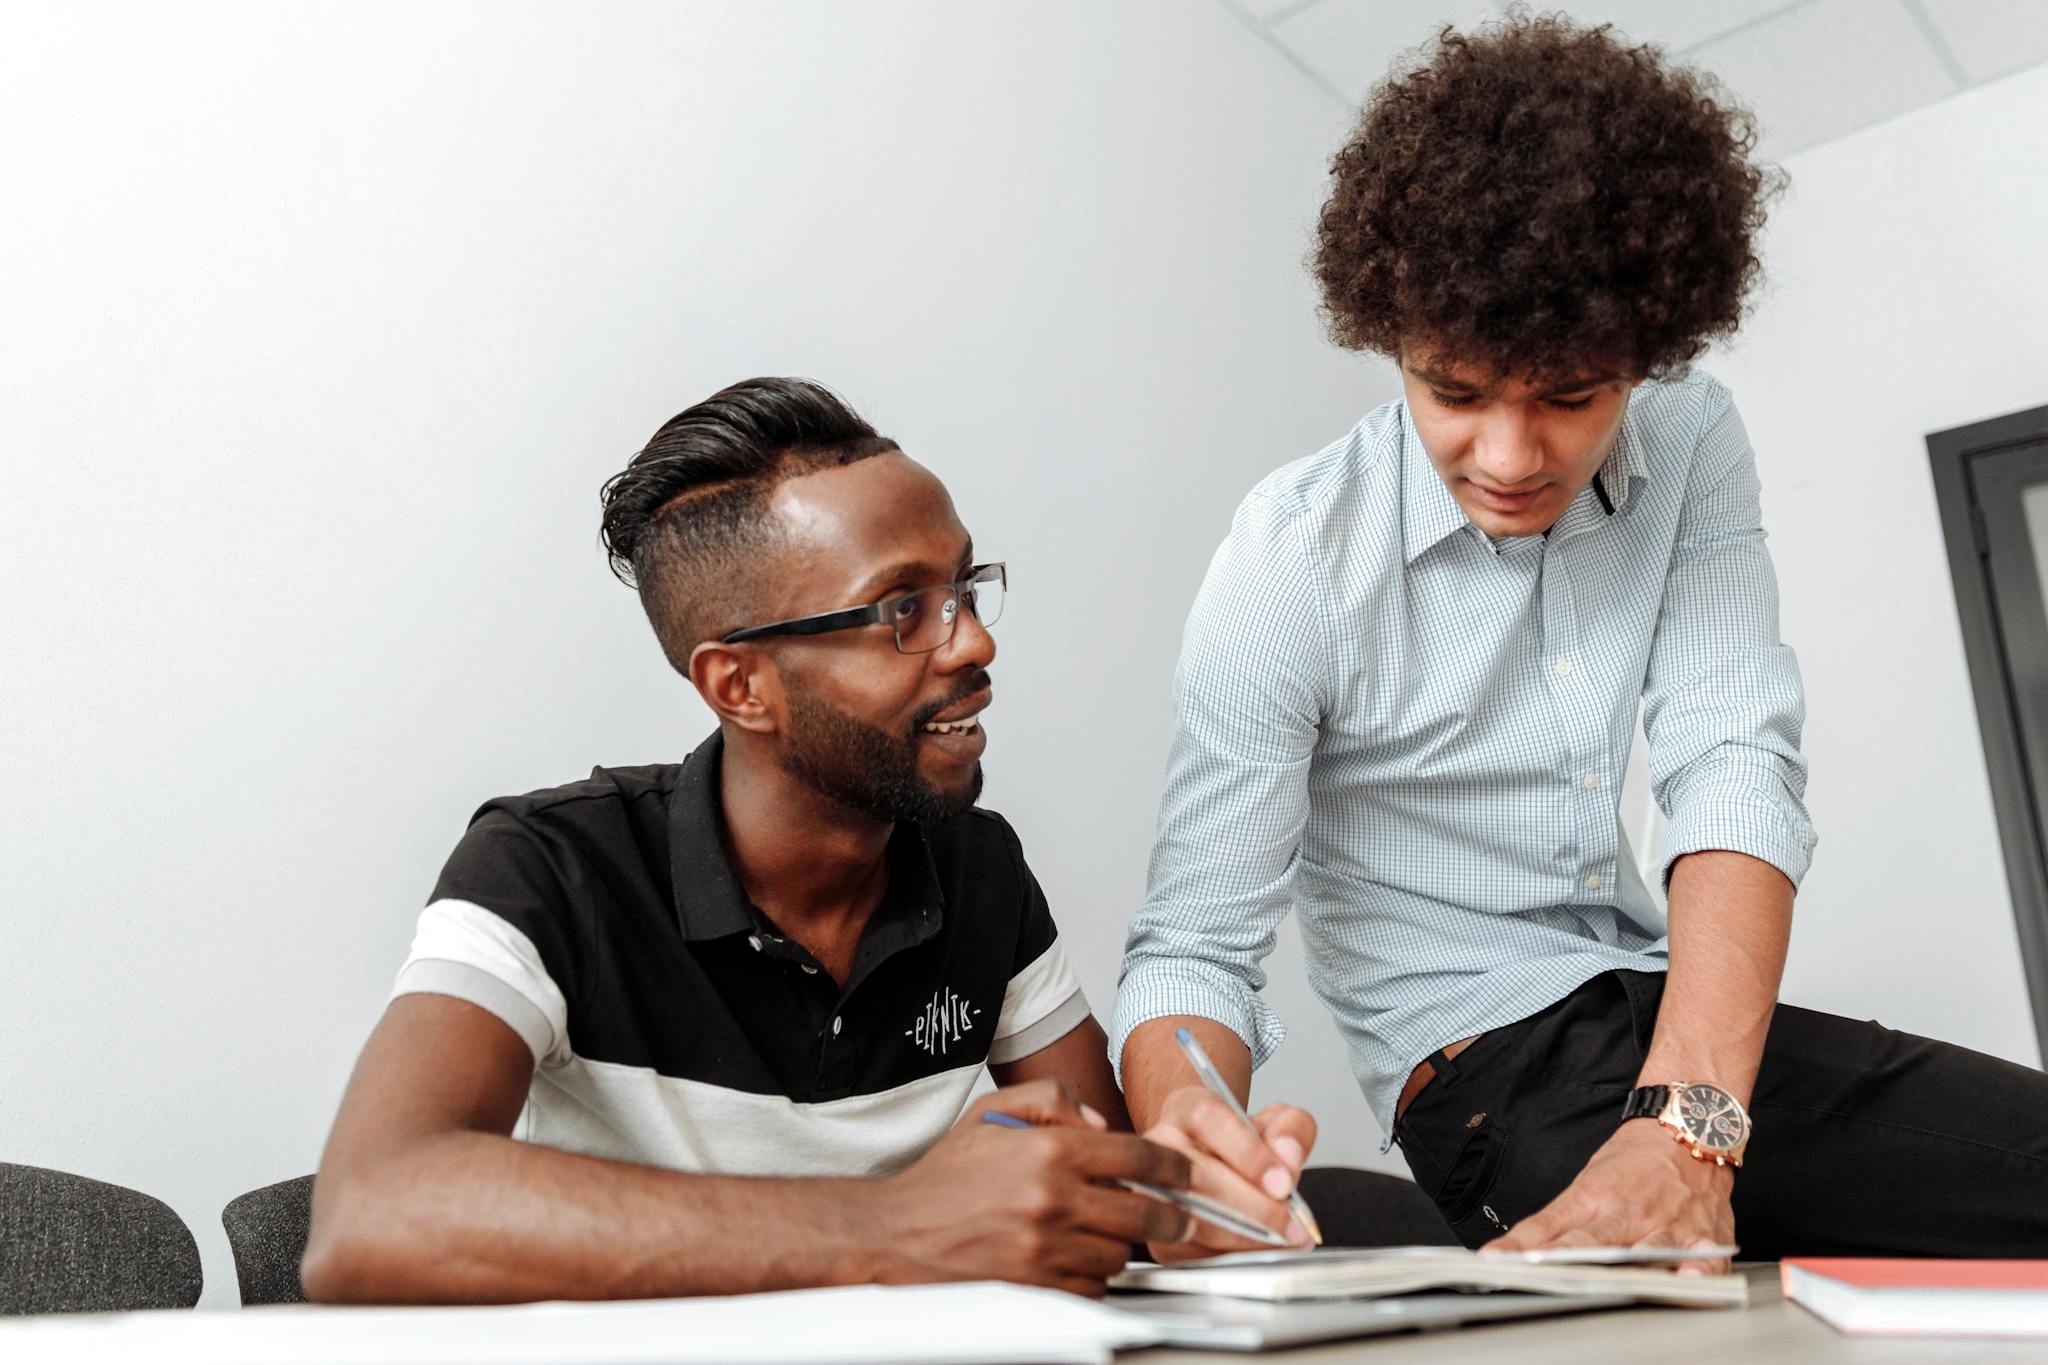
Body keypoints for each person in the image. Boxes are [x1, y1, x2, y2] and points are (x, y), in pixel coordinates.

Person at [1115, 14, 2048, 1268]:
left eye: (1570, 396)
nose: (1508, 460)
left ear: (1644, 353)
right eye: (1454, 392)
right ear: (1387, 335)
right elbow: (1192, 947)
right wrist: (1187, 1123)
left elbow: (1730, 765)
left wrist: (1685, 1126)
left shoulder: (1688, 437)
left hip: (1659, 1017)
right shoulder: (1288, 564)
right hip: (1487, 1077)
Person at [302, 377, 1203, 1304]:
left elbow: (1113, 1194)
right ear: (740, 686)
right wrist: (898, 1227)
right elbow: (373, 1214)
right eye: (903, 610)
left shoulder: (977, 865)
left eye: (964, 586)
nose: (973, 642)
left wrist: (1196, 1185)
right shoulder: (550, 868)